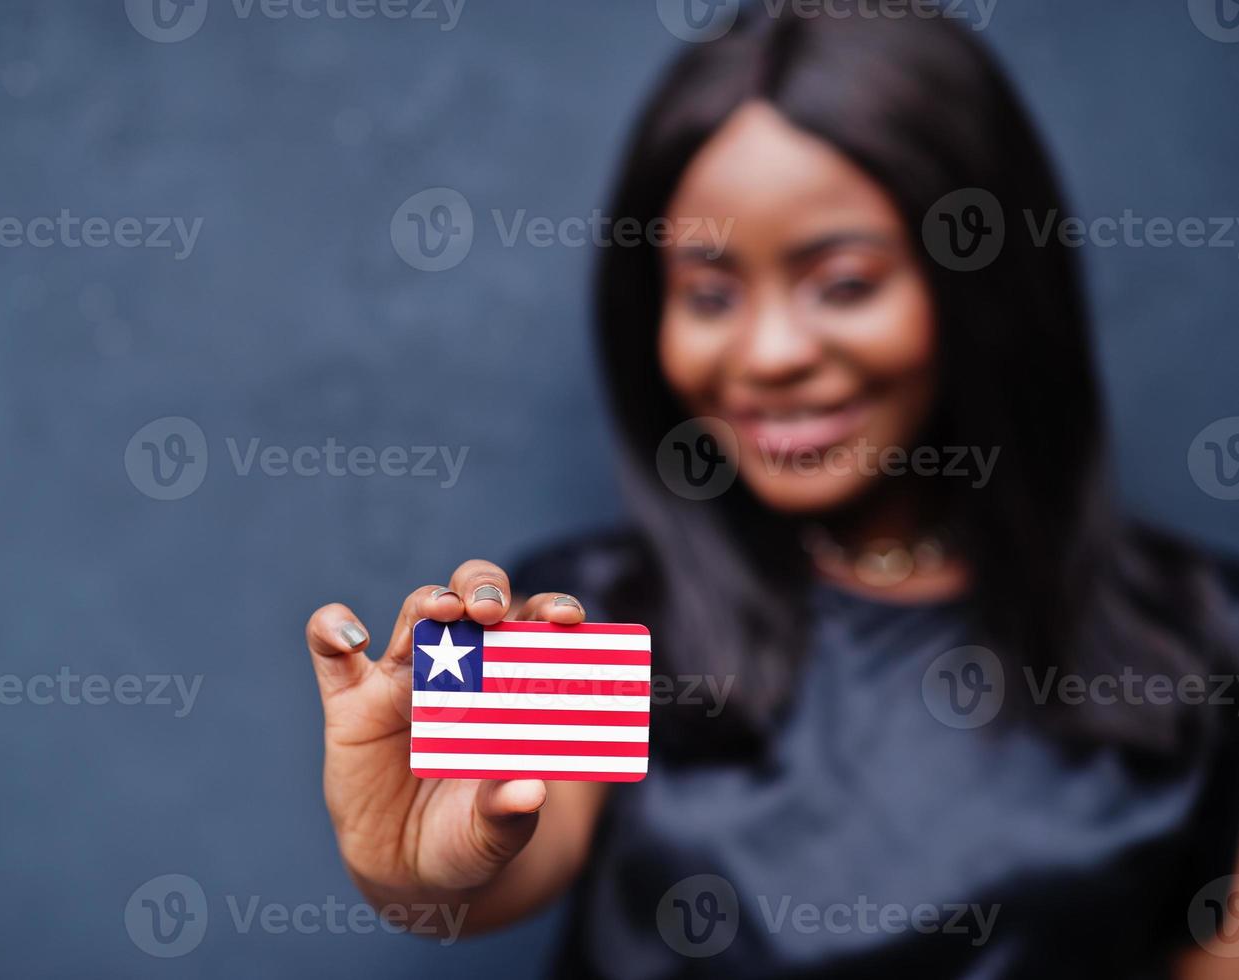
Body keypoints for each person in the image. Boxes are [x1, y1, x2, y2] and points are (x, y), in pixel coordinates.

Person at [305, 7, 1239, 976]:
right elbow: (487, 852)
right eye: (710, 294)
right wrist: (418, 870)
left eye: (843, 283)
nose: (771, 355)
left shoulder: (1208, 637)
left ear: (981, 279)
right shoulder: (586, 618)